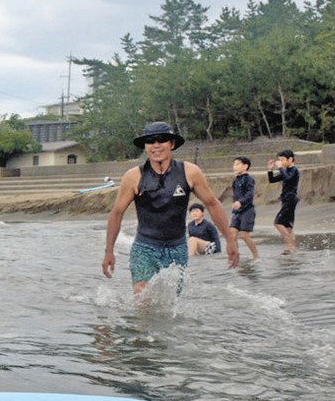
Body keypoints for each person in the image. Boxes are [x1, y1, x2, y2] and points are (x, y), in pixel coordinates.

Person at [102, 121, 238, 295]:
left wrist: (230, 240)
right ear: (145, 146)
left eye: (162, 140)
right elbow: (117, 213)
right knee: (142, 297)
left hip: (177, 247)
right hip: (145, 247)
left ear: (172, 144)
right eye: (151, 141)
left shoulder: (189, 172)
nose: (156, 145)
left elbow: (212, 203)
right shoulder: (134, 176)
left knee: (170, 301)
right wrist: (109, 251)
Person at [267, 149, 300, 254]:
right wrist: (270, 170)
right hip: (286, 199)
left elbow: (288, 178)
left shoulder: (294, 170)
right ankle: (293, 248)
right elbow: (272, 180)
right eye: (279, 160)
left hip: (290, 199)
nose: (280, 162)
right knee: (288, 226)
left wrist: (281, 167)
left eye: (282, 160)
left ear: (290, 159)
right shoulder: (287, 171)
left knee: (278, 223)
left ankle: (290, 246)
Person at [228, 156, 259, 260]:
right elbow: (235, 195)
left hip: (248, 210)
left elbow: (250, 194)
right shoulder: (235, 180)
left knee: (244, 234)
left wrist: (240, 202)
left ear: (245, 166)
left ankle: (256, 257)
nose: (234, 166)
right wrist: (235, 205)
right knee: (231, 234)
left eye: (237, 164)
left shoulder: (249, 179)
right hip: (237, 212)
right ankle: (236, 256)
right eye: (233, 164)